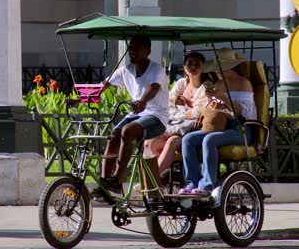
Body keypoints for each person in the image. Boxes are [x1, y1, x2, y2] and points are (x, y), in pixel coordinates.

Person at [179, 48, 257, 196]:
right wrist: (210, 101)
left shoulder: (244, 83)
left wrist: (223, 98)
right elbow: (220, 110)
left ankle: (207, 185)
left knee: (209, 139)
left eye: (218, 69)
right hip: (220, 126)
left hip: (240, 129)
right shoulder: (219, 84)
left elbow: (240, 112)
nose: (215, 72)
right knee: (188, 139)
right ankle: (191, 183)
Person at [97, 36, 169, 195]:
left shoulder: (156, 69)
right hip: (137, 115)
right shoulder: (125, 70)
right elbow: (104, 85)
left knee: (127, 131)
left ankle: (117, 180)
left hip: (157, 117)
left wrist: (142, 101)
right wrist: (80, 98)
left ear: (148, 51)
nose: (132, 51)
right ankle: (104, 183)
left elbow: (154, 87)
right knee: (113, 137)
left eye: (137, 47)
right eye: (131, 47)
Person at [144, 52, 209, 185]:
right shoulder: (181, 83)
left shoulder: (206, 86)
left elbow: (199, 112)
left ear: (203, 67)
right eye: (190, 64)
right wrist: (186, 111)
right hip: (175, 125)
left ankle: (150, 182)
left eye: (197, 64)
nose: (193, 67)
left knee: (172, 141)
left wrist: (183, 107)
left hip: (193, 128)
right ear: (184, 68)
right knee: (149, 143)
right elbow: (168, 106)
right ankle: (156, 179)